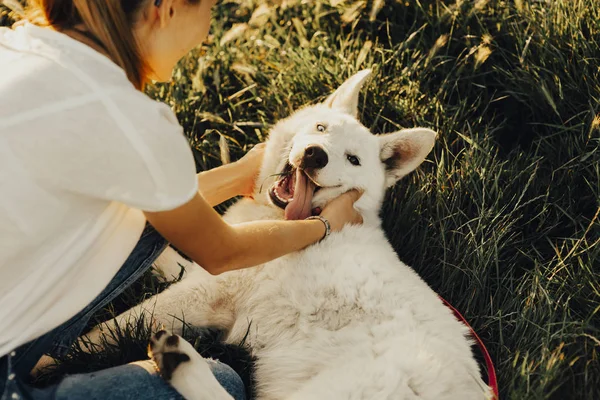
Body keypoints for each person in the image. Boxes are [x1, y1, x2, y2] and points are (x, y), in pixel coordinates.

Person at [0, 0, 363, 399]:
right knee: (220, 384)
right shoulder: (130, 119)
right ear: (166, 8)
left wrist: (243, 174)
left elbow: (149, 204)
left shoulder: (11, 50)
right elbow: (222, 252)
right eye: (211, 6)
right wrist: (325, 225)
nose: (210, 26)